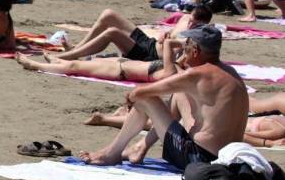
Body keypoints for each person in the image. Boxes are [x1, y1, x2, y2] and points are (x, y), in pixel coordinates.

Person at [80, 25, 248, 169]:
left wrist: (130, 99)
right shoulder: (230, 73)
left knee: (144, 99)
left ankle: (112, 153)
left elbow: (141, 92)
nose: (184, 50)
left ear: (196, 51)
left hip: (198, 158)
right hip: (228, 157)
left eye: (187, 46)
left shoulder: (197, 75)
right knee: (179, 94)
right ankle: (140, 147)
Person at [53, 5, 212, 62]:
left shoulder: (200, 36)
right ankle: (75, 48)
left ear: (204, 25)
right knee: (108, 14)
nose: (191, 25)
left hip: (148, 55)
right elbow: (172, 31)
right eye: (191, 21)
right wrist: (166, 33)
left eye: (195, 25)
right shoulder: (185, 18)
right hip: (150, 42)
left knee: (112, 32)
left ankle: (70, 56)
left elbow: (182, 61)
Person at [17, 32, 184, 84]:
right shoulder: (178, 67)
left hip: (120, 71)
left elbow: (168, 44)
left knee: (75, 67)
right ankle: (58, 60)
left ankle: (34, 65)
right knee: (81, 63)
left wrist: (182, 43)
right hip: (125, 63)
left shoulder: (171, 72)